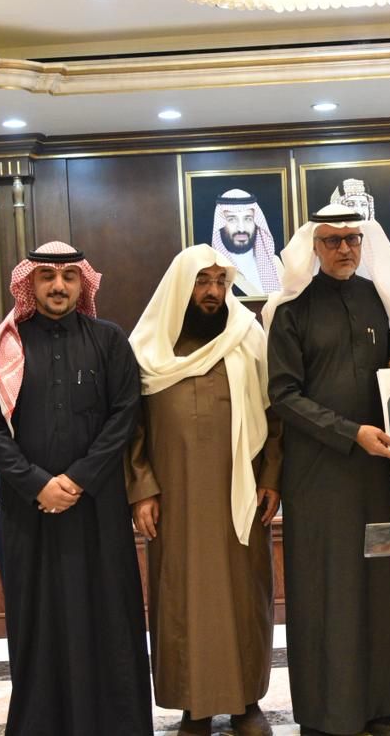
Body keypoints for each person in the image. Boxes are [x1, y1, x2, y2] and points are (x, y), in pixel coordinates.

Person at [0, 241, 150, 736]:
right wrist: (36, 484)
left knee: (107, 618)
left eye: (69, 277)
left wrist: (77, 479)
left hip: (97, 508)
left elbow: (125, 415)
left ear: (82, 284)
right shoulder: (5, 346)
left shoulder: (109, 340)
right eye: (47, 277)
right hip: (26, 512)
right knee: (37, 622)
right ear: (29, 284)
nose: (58, 286)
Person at [263, 204, 390, 736]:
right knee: (323, 587)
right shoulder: (292, 311)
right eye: (332, 240)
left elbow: (387, 370)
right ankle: (326, 711)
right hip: (317, 473)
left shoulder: (375, 299)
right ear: (314, 247)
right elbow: (284, 395)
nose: (344, 249)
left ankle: (381, 704)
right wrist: (350, 433)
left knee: (378, 584)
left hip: (372, 473)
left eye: (352, 239)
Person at [126, 244, 281, 736]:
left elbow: (275, 413)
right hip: (174, 500)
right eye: (203, 281)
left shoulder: (247, 336)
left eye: (220, 282)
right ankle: (193, 707)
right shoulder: (148, 348)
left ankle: (246, 703)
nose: (213, 291)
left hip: (242, 495)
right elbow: (130, 427)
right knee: (181, 597)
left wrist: (271, 478)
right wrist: (142, 489)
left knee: (244, 595)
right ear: (182, 286)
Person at [211, 188, 282, 298]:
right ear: (220, 224)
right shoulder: (211, 268)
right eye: (232, 219)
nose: (241, 228)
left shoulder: (275, 264)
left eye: (248, 219)